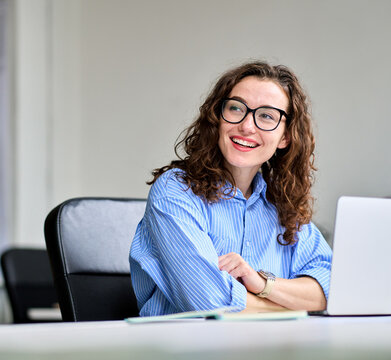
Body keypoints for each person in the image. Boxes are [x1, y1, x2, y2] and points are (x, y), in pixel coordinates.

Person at [129, 61, 332, 316]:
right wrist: (290, 304)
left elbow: (330, 288)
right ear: (217, 118)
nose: (247, 126)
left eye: (267, 116)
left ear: (285, 137)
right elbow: (211, 304)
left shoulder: (283, 205)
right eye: (236, 108)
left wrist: (262, 283)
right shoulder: (175, 192)